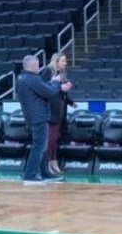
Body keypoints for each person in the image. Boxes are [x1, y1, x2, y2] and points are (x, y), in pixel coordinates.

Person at [16, 54, 72, 185]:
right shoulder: (32, 79)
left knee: (40, 146)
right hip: (38, 116)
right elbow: (50, 92)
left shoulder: (20, 78)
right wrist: (57, 82)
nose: (39, 66)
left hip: (31, 116)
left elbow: (41, 92)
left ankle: (46, 174)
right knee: (39, 146)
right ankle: (30, 176)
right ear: (33, 65)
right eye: (38, 64)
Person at [44, 52, 77, 176]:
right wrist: (59, 86)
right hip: (51, 110)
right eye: (63, 61)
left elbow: (61, 94)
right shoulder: (47, 72)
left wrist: (70, 102)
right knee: (50, 139)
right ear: (56, 62)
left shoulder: (61, 74)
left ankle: (54, 162)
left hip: (60, 108)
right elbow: (42, 87)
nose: (65, 63)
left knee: (55, 139)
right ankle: (47, 165)